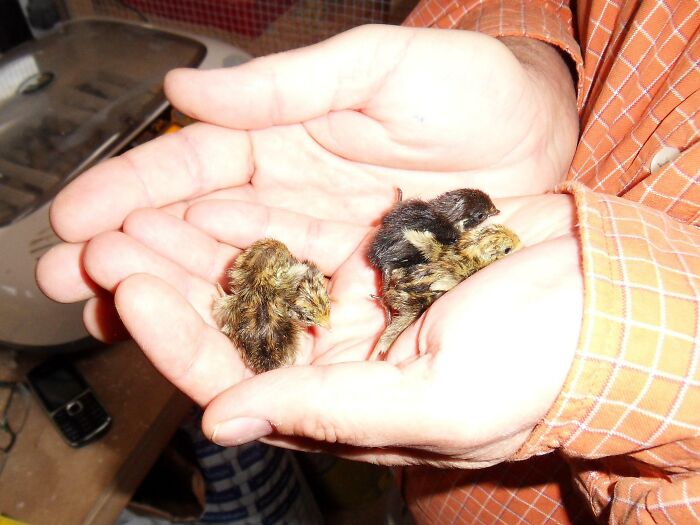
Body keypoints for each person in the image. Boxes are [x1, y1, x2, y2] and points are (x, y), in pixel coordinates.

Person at [36, 0, 698, 522]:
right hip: (428, 486)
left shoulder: (431, 259)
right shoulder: (396, 250)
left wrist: (627, 338)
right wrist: (539, 69)